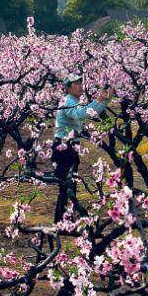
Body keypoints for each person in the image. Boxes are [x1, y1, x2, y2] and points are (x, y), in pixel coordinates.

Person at [52, 73, 112, 222]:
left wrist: (106, 99)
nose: (80, 85)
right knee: (66, 185)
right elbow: (81, 114)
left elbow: (91, 112)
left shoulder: (74, 100)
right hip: (63, 147)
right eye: (75, 83)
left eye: (80, 82)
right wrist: (99, 99)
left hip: (71, 146)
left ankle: (64, 219)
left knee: (69, 184)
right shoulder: (67, 101)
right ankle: (62, 221)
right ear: (67, 88)